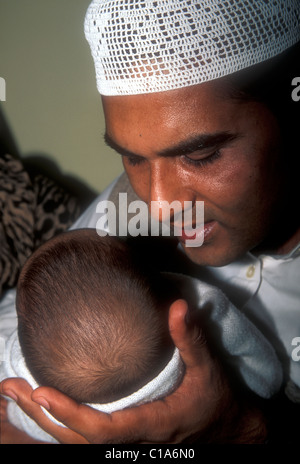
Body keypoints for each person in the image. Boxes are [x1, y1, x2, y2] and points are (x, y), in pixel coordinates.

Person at [1, 0, 300, 444]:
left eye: (201, 156)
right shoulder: (130, 204)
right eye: (133, 157)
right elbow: (21, 317)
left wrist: (239, 428)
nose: (157, 206)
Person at [1, 228, 282, 443]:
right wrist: (265, 381)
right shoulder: (197, 304)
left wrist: (14, 417)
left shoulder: (27, 374)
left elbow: (27, 414)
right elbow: (248, 349)